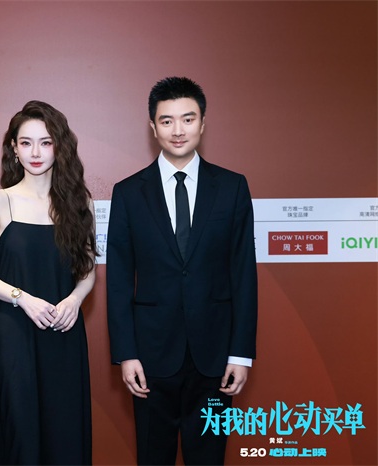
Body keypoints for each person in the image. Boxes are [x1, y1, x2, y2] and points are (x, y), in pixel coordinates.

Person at [107, 77, 258, 465]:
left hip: (215, 356)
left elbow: (243, 274)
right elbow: (119, 280)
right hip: (150, 356)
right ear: (153, 126)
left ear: (203, 123)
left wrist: (241, 354)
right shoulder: (128, 193)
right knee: (152, 456)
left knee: (209, 457)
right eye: (167, 120)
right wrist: (126, 354)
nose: (178, 130)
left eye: (188, 119)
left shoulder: (232, 188)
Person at [0, 100, 96, 465]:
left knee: (62, 434)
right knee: (18, 433)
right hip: (14, 332)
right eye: (26, 143)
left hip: (63, 331)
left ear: (59, 146)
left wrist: (74, 300)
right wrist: (22, 298)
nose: (35, 153)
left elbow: (88, 270)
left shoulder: (79, 203)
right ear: (14, 148)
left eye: (45, 142)